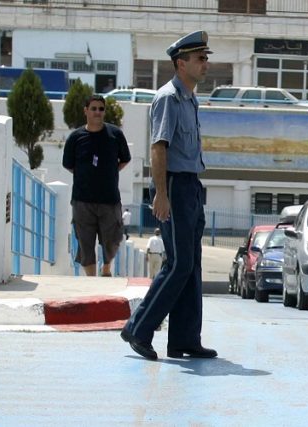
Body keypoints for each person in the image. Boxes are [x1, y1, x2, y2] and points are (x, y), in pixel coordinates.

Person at [120, 30, 217, 361]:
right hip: (173, 185)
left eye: (205, 58)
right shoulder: (168, 98)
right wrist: (161, 194)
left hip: (190, 184)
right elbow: (158, 148)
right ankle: (138, 328)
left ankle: (184, 340)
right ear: (180, 63)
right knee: (178, 263)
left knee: (192, 265)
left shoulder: (190, 99)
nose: (205, 64)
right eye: (200, 59)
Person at [62, 95, 132, 277]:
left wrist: (111, 171)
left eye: (101, 109)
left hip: (109, 199)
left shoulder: (115, 134)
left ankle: (106, 268)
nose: (97, 112)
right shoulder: (76, 137)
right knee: (85, 243)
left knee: (112, 240)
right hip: (82, 200)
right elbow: (68, 164)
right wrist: (85, 175)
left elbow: (125, 158)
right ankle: (91, 280)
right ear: (86, 111)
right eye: (93, 108)